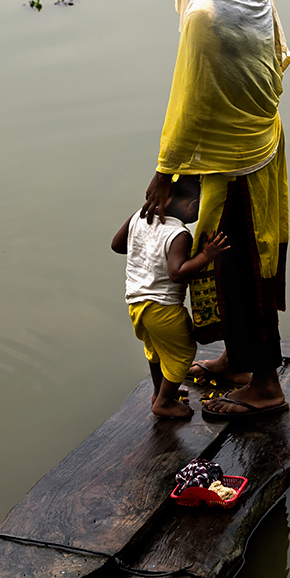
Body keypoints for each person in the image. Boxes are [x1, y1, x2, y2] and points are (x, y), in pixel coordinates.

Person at [139, 0, 290, 424]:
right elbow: (279, 65)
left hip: (230, 168)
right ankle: (240, 362)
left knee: (239, 271)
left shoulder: (205, 13)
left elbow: (189, 100)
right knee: (241, 268)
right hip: (265, 154)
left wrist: (165, 172)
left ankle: (266, 386)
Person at [112, 174, 230, 419]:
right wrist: (206, 255)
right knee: (183, 352)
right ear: (190, 205)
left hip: (136, 303)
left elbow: (117, 245)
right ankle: (164, 401)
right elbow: (176, 273)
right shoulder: (179, 234)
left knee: (155, 351)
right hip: (163, 307)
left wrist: (140, 228)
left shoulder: (139, 217)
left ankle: (159, 392)